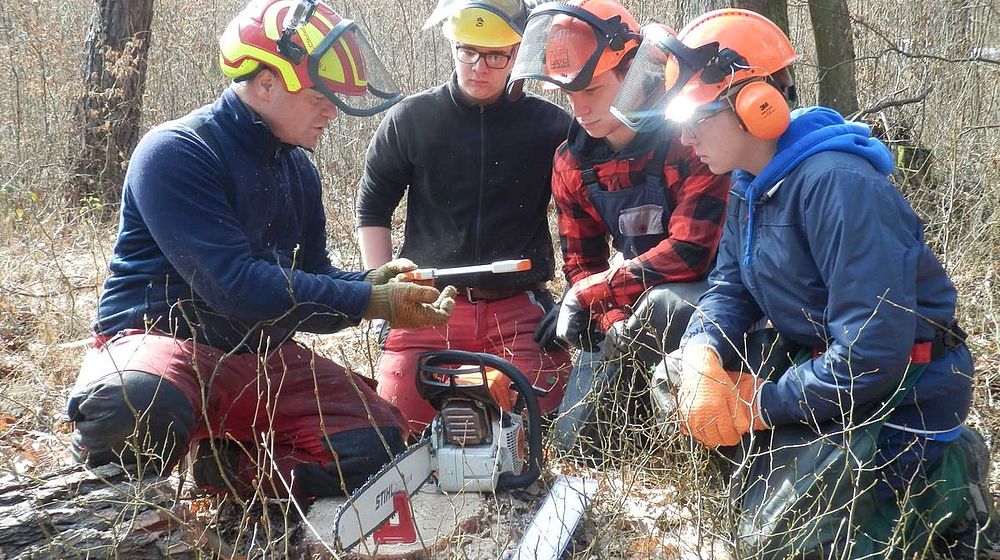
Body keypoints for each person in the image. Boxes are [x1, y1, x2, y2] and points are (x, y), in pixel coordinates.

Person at [66, 0, 457, 502]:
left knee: (377, 441)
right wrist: (369, 302)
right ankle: (102, 508)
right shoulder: (177, 151)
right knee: (136, 404)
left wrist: (370, 284)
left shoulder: (299, 170)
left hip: (262, 356)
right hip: (165, 342)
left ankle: (227, 472)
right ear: (267, 83)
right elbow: (234, 285)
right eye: (319, 95)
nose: (331, 110)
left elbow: (311, 279)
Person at [640, 9, 997, 558]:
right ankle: (773, 474)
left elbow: (872, 351)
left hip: (906, 387)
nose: (686, 138)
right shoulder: (749, 181)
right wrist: (703, 352)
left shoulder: (838, 185)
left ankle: (948, 478)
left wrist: (763, 405)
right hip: (820, 365)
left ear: (756, 106)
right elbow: (729, 286)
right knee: (675, 379)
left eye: (698, 117)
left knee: (791, 542)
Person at [507, 0, 730, 452]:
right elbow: (580, 262)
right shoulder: (571, 162)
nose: (580, 107)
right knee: (573, 445)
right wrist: (606, 314)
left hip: (713, 292)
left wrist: (595, 293)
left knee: (662, 304)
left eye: (592, 89)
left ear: (633, 75)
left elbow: (692, 250)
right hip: (627, 294)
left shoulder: (692, 138)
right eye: (570, 93)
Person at [357, 0, 574, 432]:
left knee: (542, 424)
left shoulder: (552, 126)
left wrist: (574, 297)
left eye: (496, 55)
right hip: (427, 304)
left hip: (519, 310)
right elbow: (372, 207)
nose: (479, 66)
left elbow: (583, 216)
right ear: (453, 45)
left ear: (518, 53)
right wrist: (384, 296)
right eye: (468, 51)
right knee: (398, 427)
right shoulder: (411, 119)